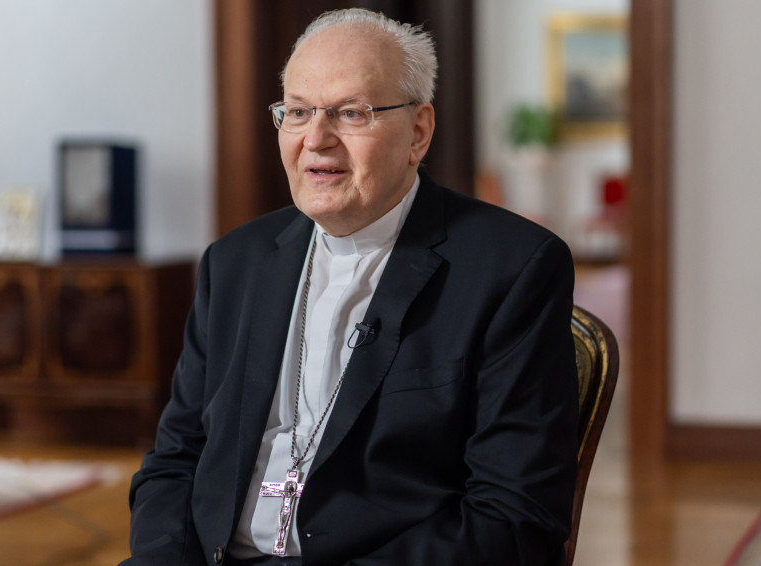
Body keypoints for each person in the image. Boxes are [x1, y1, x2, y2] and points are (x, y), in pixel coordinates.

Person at [121, 8, 577, 566]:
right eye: (297, 112)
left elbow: (513, 517)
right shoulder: (234, 262)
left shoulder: (511, 268)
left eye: (351, 113)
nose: (316, 139)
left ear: (418, 132)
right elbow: (175, 459)